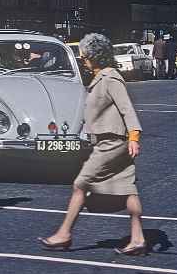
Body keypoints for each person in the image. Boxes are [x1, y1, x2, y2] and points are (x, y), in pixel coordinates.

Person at [39, 33, 146, 255]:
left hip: (111, 142)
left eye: (85, 56)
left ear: (96, 56)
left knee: (81, 183)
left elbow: (127, 109)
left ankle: (64, 234)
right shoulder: (100, 78)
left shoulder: (110, 78)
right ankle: (138, 239)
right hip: (111, 141)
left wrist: (134, 137)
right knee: (128, 189)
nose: (83, 60)